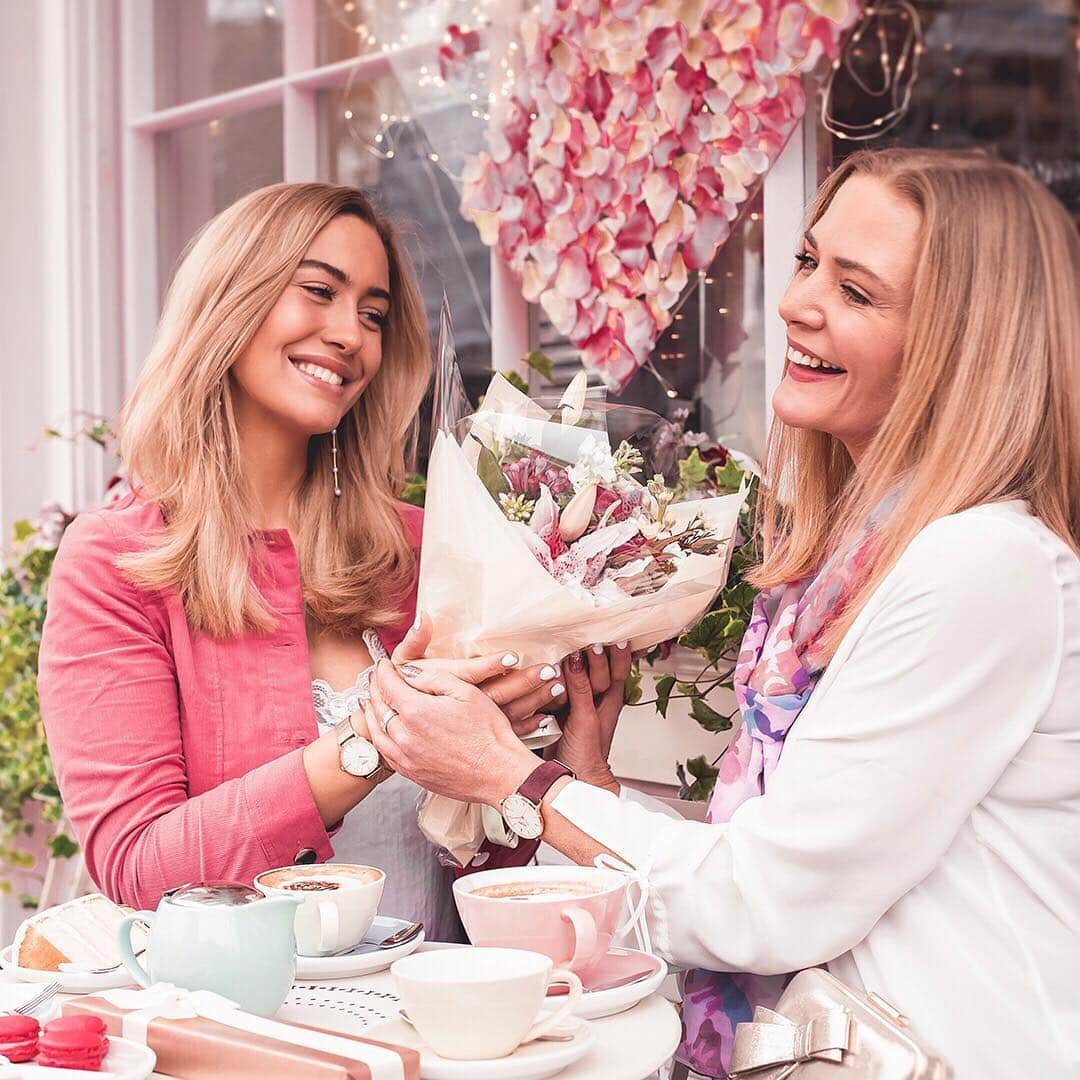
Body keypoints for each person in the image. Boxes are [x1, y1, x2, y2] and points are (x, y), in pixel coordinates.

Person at [361, 149, 1080, 1077]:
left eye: (858, 293)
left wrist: (513, 779)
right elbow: (786, 850)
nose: (798, 304)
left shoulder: (984, 563)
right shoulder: (849, 564)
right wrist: (590, 773)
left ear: (964, 347)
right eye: (810, 263)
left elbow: (770, 903)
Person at [37, 183, 566, 940]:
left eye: (374, 314)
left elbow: (495, 839)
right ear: (231, 299)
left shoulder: (428, 546)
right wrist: (378, 744)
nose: (351, 334)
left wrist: (553, 726)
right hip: (259, 1030)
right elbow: (138, 867)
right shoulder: (120, 561)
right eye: (319, 290)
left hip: (445, 1017)